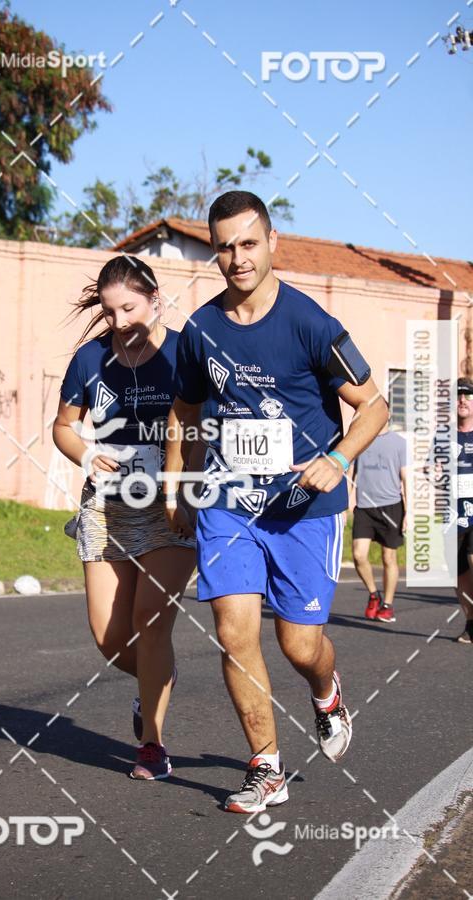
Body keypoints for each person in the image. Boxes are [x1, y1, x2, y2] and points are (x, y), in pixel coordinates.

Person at [164, 191, 388, 814]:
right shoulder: (201, 331)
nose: (237, 258)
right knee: (234, 633)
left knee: (299, 646)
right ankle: (266, 767)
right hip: (230, 505)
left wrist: (337, 459)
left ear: (271, 241)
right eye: (225, 247)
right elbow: (184, 410)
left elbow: (374, 406)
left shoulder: (311, 324)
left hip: (302, 510)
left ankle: (326, 692)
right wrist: (177, 480)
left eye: (248, 243)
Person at [53, 255, 197, 780]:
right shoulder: (90, 359)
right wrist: (87, 453)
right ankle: (155, 680)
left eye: (129, 308)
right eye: (110, 311)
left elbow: (220, 415)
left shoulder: (188, 350)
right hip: (107, 505)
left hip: (172, 505)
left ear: (155, 299)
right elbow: (64, 425)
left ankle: (153, 746)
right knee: (110, 639)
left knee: (149, 619)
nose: (119, 322)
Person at [350, 422, 407, 623]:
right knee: (358, 554)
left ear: (387, 414)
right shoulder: (361, 440)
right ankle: (374, 594)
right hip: (365, 507)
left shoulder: (399, 443)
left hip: (391, 506)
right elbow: (351, 475)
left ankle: (387, 605)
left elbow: (406, 478)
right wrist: (344, 505)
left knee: (388, 558)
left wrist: (409, 512)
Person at [453, 377, 473, 643]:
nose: (462, 400)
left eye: (468, 396)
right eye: (458, 396)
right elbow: (431, 470)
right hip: (452, 515)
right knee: (460, 576)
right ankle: (470, 623)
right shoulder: (444, 436)